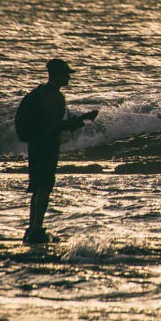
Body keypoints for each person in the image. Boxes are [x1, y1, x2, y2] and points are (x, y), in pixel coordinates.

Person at [20, 58, 98, 245]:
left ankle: (32, 228)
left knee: (37, 187)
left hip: (35, 144)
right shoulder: (55, 97)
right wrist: (81, 120)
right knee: (45, 187)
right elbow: (55, 126)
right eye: (66, 74)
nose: (69, 78)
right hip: (46, 146)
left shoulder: (40, 92)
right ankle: (37, 230)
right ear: (56, 75)